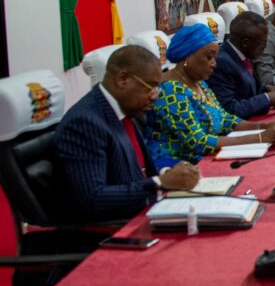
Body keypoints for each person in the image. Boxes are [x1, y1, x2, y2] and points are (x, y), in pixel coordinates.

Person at [56, 46, 201, 220]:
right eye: (150, 88)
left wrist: (166, 175)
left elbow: (138, 173)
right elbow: (93, 199)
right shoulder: (84, 123)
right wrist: (160, 183)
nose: (155, 96)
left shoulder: (125, 110)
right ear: (123, 79)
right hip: (118, 228)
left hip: (147, 209)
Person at [145, 24, 275, 165]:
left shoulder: (199, 82)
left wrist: (265, 126)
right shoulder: (171, 91)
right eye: (209, 57)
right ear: (187, 56)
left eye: (215, 57)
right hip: (180, 168)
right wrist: (260, 137)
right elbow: (198, 142)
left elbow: (225, 120)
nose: (214, 64)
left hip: (209, 157)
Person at [206, 12, 275, 119]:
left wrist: (268, 90)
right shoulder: (222, 63)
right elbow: (229, 109)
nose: (264, 48)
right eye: (263, 44)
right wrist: (267, 98)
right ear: (246, 43)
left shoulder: (244, 53)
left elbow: (245, 91)